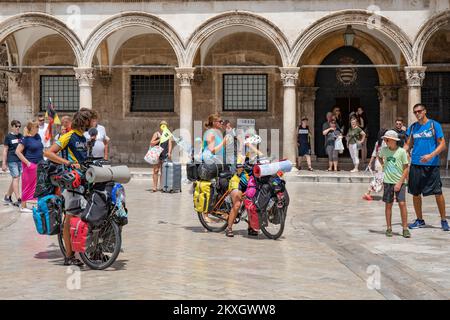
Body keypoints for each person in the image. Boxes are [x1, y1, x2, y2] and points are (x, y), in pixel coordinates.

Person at [44, 108, 97, 266]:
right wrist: (68, 163)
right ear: (84, 121)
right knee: (70, 217)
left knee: (83, 215)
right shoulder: (68, 136)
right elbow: (48, 153)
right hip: (71, 182)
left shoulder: (84, 137)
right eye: (91, 120)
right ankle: (69, 256)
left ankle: (85, 249)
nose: (93, 123)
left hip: (84, 181)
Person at [404, 103, 449, 231]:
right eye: (415, 112)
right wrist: (399, 153)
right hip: (416, 165)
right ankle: (419, 220)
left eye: (419, 111)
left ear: (425, 111)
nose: (417, 114)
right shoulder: (413, 128)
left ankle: (443, 220)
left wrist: (431, 155)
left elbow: (442, 145)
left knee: (438, 192)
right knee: (415, 193)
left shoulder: (434, 125)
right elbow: (408, 144)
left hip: (431, 165)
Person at [378, 130, 410, 238]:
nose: (385, 141)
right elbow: (379, 156)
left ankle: (405, 228)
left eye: (387, 139)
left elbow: (406, 169)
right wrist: (383, 165)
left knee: (402, 204)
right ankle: (389, 228)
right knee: (388, 205)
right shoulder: (384, 150)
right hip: (388, 182)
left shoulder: (401, 152)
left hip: (400, 182)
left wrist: (399, 183)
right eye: (385, 139)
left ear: (393, 140)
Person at [15, 121, 43, 213]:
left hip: (39, 164)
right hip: (30, 165)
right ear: (31, 128)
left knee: (39, 185)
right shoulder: (25, 138)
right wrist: (27, 163)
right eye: (36, 127)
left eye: (38, 127)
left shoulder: (38, 137)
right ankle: (23, 206)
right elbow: (18, 152)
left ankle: (40, 205)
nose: (38, 128)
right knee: (27, 185)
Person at [363, 128, 387, 201]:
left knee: (379, 179)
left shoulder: (377, 143)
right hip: (382, 162)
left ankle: (369, 193)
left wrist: (370, 163)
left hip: (377, 163)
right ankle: (368, 193)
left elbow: (374, 153)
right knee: (381, 179)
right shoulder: (385, 143)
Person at [2, 120, 23, 206]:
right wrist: (4, 163)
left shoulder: (21, 136)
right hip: (12, 160)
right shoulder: (8, 137)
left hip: (20, 160)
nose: (18, 128)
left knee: (15, 179)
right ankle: (18, 199)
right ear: (12, 127)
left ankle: (7, 197)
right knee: (16, 178)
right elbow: (5, 150)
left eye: (19, 126)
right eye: (16, 126)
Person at [150, 120, 173, 192]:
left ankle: (162, 186)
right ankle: (154, 187)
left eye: (165, 125)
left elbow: (170, 144)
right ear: (160, 126)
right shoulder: (157, 134)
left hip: (164, 154)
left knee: (163, 171)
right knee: (156, 170)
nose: (163, 126)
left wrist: (169, 152)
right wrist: (160, 139)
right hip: (157, 154)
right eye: (162, 125)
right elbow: (151, 143)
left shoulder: (168, 134)